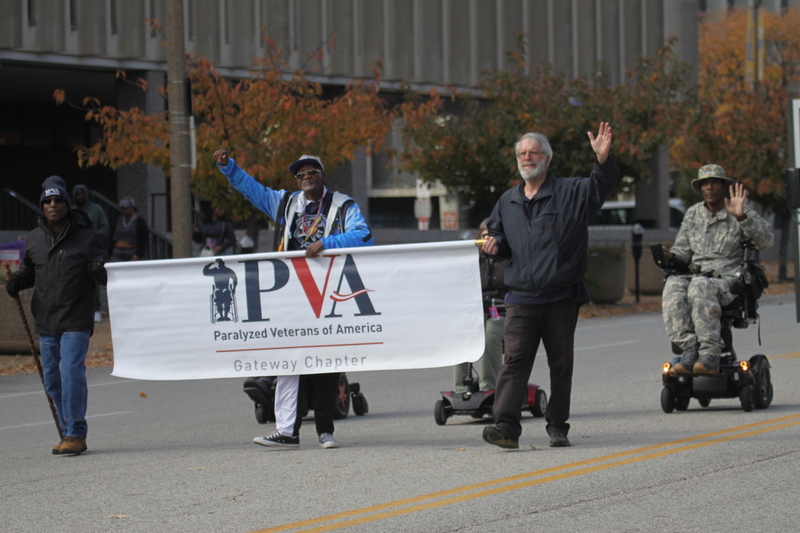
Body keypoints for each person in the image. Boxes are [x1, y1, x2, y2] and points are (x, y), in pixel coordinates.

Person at [214, 149, 373, 449]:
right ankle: (287, 431)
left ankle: (325, 431)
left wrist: (326, 243)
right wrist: (228, 167)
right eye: (300, 174)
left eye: (312, 172)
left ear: (323, 176)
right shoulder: (285, 203)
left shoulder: (342, 205)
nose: (305, 177)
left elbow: (364, 236)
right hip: (288, 292)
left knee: (325, 360)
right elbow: (252, 190)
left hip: (326, 290)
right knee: (286, 357)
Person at [481, 123, 618, 450]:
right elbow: (498, 237)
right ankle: (506, 428)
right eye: (522, 153)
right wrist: (493, 244)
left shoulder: (571, 192)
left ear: (547, 159)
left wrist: (602, 160)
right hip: (520, 299)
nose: (527, 158)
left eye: (533, 152)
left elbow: (599, 188)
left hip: (560, 296)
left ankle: (557, 426)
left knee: (560, 364)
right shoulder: (507, 200)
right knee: (513, 362)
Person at [5, 175, 108, 456]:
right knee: (52, 378)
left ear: (66, 203)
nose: (53, 205)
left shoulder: (87, 237)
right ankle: (67, 433)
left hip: (76, 317)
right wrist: (16, 282)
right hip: (46, 321)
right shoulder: (35, 238)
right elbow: (31, 271)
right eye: (48, 201)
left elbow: (105, 273)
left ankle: (75, 432)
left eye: (58, 200)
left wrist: (100, 271)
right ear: (42, 205)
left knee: (70, 371)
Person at [662, 164, 774, 375]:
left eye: (715, 183)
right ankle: (689, 348)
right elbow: (683, 252)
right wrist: (670, 256)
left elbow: (767, 241)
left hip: (729, 281)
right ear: (700, 188)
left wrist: (742, 217)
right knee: (674, 285)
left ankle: (710, 354)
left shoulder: (739, 212)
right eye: (705, 183)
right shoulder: (693, 214)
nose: (710, 187)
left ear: (724, 187)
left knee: (699, 286)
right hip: (697, 275)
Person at [453, 220, 508, 392]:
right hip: (479, 312)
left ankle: (488, 386)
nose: (489, 241)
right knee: (462, 333)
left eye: (493, 237)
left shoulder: (510, 260)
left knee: (490, 334)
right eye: (485, 236)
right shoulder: (474, 261)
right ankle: (461, 387)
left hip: (503, 311)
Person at [72, 184, 109, 322]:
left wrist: (92, 235)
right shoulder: (71, 210)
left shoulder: (96, 209)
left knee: (95, 278)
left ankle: (97, 310)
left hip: (93, 250)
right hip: (76, 251)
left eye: (82, 193)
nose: (80, 196)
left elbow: (105, 227)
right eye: (78, 194)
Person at [109, 197, 148, 261]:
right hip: (117, 252)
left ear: (131, 208)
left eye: (125, 208)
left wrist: (138, 254)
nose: (123, 210)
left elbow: (143, 239)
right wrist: (110, 253)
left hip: (131, 252)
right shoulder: (118, 220)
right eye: (122, 208)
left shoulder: (139, 221)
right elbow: (111, 236)